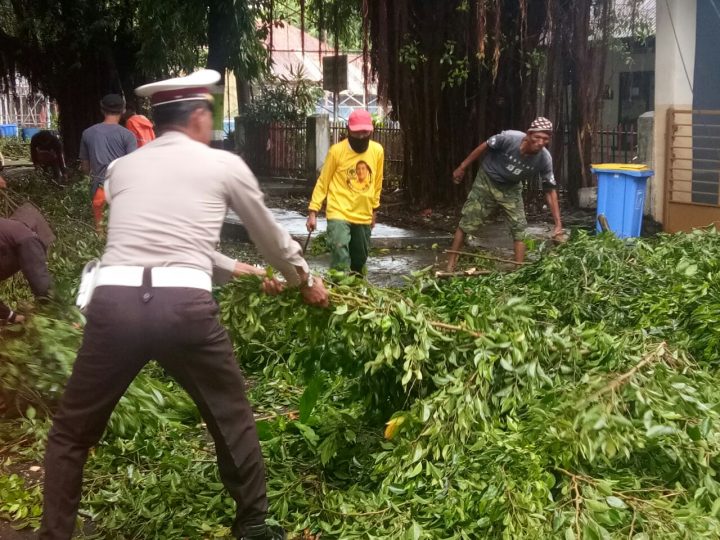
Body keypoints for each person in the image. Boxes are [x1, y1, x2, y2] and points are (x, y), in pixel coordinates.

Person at [39, 69, 328, 540]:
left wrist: (241, 270)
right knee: (231, 415)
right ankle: (253, 524)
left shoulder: (122, 170)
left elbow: (157, 241)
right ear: (198, 115)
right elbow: (271, 238)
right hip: (185, 312)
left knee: (71, 433)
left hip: (114, 307)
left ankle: (54, 534)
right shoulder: (223, 164)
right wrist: (304, 279)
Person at [446, 117, 563, 271]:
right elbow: (484, 146)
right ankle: (451, 263)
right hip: (488, 179)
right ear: (529, 134)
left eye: (545, 139)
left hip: (511, 187)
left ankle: (518, 270)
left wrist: (558, 223)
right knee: (468, 221)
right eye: (537, 137)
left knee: (519, 228)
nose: (541, 142)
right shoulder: (509, 138)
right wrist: (462, 167)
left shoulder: (544, 159)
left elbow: (550, 190)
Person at [306, 109, 384, 274]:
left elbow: (377, 182)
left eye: (365, 132)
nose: (362, 137)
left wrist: (374, 210)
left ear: (371, 130)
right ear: (348, 130)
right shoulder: (337, 151)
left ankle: (354, 292)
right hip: (338, 211)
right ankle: (339, 286)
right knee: (340, 251)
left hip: (363, 213)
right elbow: (323, 181)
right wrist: (313, 211)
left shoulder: (377, 151)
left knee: (360, 259)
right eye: (357, 133)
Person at [79, 94, 136, 231]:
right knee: (122, 230)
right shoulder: (128, 135)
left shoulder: (87, 133)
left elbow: (85, 167)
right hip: (121, 189)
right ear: (123, 111)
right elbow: (133, 167)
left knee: (101, 231)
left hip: (99, 188)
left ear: (101, 109)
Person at [0, 199, 54, 325]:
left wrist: (11, 316)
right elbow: (38, 278)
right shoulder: (26, 237)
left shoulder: (9, 232)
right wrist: (54, 310)